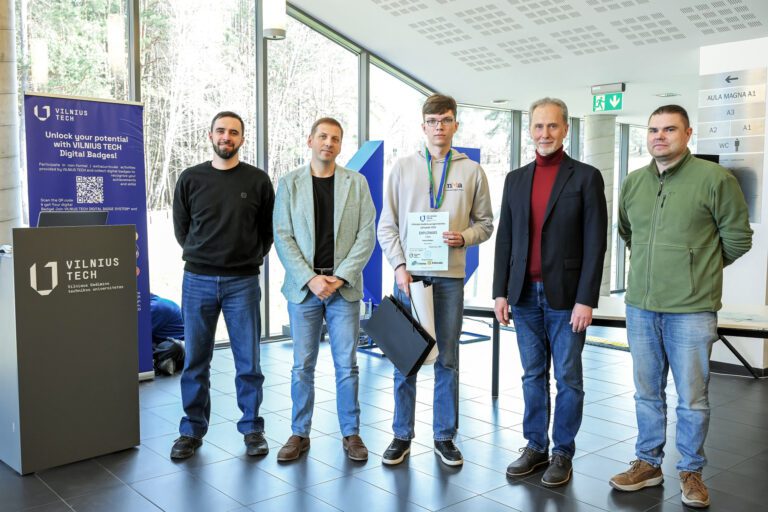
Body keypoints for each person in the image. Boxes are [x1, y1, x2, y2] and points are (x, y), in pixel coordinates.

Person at [610, 105, 752, 508]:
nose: (659, 136)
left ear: (688, 134)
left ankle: (691, 471)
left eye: (669, 129)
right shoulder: (634, 182)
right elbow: (626, 232)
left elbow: (738, 239)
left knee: (692, 398)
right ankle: (647, 463)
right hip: (641, 307)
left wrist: (698, 269)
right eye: (653, 129)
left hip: (691, 309)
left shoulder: (715, 179)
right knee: (646, 394)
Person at [493, 97, 608, 487]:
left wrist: (586, 299)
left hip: (567, 297)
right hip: (523, 295)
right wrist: (500, 292)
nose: (545, 134)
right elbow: (505, 239)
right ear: (530, 130)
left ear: (565, 129)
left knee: (569, 378)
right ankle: (535, 446)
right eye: (538, 126)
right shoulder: (515, 179)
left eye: (552, 126)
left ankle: (563, 453)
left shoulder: (586, 177)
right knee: (532, 375)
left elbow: (596, 243)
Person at [377, 93, 494, 466]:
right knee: (405, 358)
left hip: (449, 280)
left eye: (445, 120)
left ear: (455, 124)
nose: (438, 127)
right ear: (423, 126)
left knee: (447, 359)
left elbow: (486, 224)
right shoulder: (402, 168)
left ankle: (444, 436)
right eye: (432, 121)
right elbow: (386, 225)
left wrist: (465, 237)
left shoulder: (472, 172)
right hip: (409, 278)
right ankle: (401, 435)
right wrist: (399, 266)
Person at [170, 111, 275, 459]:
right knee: (195, 361)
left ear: (242, 138)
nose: (226, 137)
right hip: (197, 280)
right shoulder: (190, 178)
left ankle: (252, 429)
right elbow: (182, 229)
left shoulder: (258, 181)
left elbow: (267, 232)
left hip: (242, 282)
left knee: (249, 362)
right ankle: (191, 431)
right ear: (210, 135)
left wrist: (247, 257)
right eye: (220, 131)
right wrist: (203, 254)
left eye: (233, 132)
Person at [273, 117, 376, 462]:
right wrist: (310, 278)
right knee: (302, 365)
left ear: (340, 145)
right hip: (305, 289)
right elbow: (282, 236)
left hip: (342, 289)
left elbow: (366, 235)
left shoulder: (356, 183)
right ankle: (299, 433)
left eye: (335, 138)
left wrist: (341, 277)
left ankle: (351, 433)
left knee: (347, 365)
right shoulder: (289, 184)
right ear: (310, 140)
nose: (328, 143)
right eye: (322, 137)